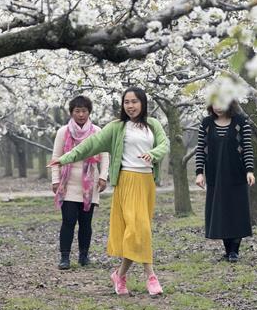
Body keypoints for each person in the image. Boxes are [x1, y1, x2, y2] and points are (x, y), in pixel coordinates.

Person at [50, 87, 170, 296]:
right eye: (126, 102)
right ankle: (151, 275)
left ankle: (119, 275)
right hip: (126, 181)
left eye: (134, 102)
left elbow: (164, 145)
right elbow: (90, 145)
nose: (130, 106)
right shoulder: (117, 127)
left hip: (146, 183)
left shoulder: (153, 125)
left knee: (139, 230)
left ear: (142, 103)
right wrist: (64, 158)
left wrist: (153, 154)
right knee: (138, 228)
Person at [51, 95, 110, 270]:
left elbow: (105, 156)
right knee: (68, 221)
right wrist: (55, 179)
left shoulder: (97, 131)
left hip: (89, 184)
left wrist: (103, 177)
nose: (81, 115)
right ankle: (65, 257)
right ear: (71, 113)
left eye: (84, 111)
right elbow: (56, 157)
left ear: (89, 112)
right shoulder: (63, 132)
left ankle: (84, 256)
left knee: (86, 222)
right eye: (77, 111)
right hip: (68, 183)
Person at [194, 100, 255, 262]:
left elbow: (247, 147)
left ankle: (234, 251)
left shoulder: (241, 122)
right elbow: (200, 149)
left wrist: (249, 170)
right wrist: (199, 173)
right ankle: (228, 250)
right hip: (215, 175)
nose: (218, 106)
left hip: (237, 174)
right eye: (215, 103)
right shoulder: (206, 124)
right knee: (221, 212)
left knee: (236, 211)